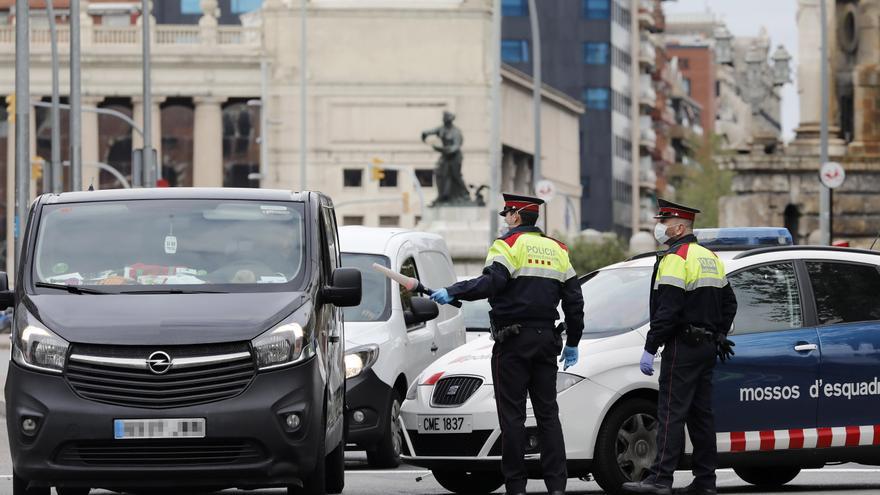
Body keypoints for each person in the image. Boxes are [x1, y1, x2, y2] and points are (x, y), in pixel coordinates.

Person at [430, 193, 585, 495]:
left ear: (515, 216)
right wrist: (573, 341)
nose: (505, 221)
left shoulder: (507, 245)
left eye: (506, 216)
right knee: (547, 414)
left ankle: (516, 486)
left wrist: (453, 291)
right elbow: (575, 300)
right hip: (546, 341)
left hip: (513, 342)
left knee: (512, 416)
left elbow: (492, 283)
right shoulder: (558, 250)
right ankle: (556, 485)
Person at [622, 199, 737, 495]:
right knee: (701, 417)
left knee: (671, 413)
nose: (659, 226)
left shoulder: (677, 257)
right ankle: (706, 481)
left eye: (664, 221)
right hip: (707, 347)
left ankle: (660, 480)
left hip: (682, 347)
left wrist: (651, 345)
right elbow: (730, 303)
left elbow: (668, 310)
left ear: (680, 227)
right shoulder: (709, 256)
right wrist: (718, 333)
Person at [421, 111, 470, 204]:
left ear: (450, 120)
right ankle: (442, 195)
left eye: (445, 118)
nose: (443, 120)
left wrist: (440, 149)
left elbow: (455, 148)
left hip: (455, 156)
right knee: (439, 172)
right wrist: (424, 135)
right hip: (445, 156)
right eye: (443, 118)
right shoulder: (441, 129)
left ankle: (465, 193)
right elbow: (430, 132)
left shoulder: (456, 132)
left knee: (455, 175)